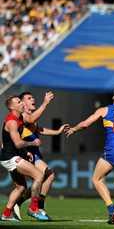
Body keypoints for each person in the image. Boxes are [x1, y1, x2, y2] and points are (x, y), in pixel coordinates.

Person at [65, 87, 114, 224]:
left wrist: (74, 129)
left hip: (113, 148)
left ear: (113, 97)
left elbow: (86, 124)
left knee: (96, 179)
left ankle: (112, 210)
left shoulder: (104, 110)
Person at [13, 92, 68, 220]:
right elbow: (31, 121)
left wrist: (57, 132)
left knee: (42, 180)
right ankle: (35, 208)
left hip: (34, 153)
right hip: (26, 153)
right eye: (29, 98)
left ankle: (25, 205)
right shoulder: (23, 116)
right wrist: (45, 103)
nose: (33, 99)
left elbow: (39, 130)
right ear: (22, 103)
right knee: (42, 178)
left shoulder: (32, 116)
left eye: (33, 97)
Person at [0, 96, 49, 221]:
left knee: (21, 187)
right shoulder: (12, 121)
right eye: (19, 102)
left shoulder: (19, 118)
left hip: (10, 156)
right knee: (39, 175)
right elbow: (17, 143)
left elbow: (14, 142)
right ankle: (33, 208)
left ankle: (6, 214)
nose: (22, 103)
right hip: (10, 157)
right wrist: (32, 144)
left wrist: (25, 152)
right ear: (12, 107)